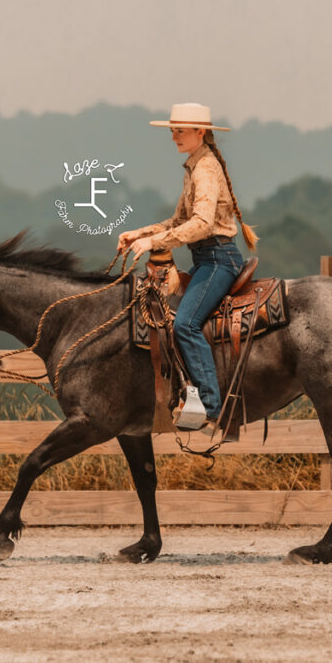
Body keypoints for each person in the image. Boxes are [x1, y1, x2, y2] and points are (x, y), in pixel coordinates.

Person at [117, 102, 259, 437]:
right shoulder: (196, 166)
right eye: (172, 130)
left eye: (180, 130)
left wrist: (154, 243)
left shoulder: (206, 170)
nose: (174, 136)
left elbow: (200, 224)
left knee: (186, 324)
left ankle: (211, 408)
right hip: (206, 259)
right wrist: (141, 234)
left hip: (216, 260)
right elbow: (179, 222)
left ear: (201, 132)